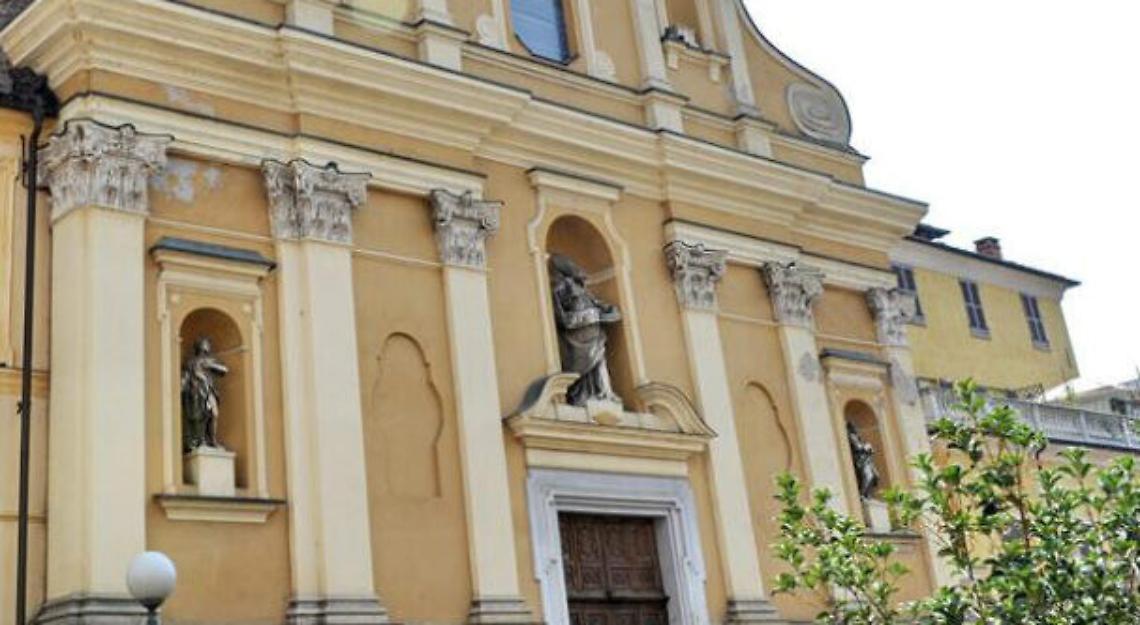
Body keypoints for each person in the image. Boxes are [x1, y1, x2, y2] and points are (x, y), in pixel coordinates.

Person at [550, 254, 622, 407]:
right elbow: (561, 316)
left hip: (594, 333)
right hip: (577, 337)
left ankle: (603, 393)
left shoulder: (584, 291)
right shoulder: (562, 288)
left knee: (599, 358)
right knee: (581, 366)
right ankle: (581, 394)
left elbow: (597, 304)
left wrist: (607, 311)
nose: (581, 271)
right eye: (575, 268)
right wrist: (589, 316)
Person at [181, 337, 229, 451]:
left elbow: (224, 370)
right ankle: (200, 440)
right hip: (196, 391)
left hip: (209, 390)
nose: (206, 347)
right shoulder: (191, 362)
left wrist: (210, 365)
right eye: (204, 344)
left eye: (207, 345)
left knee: (214, 414)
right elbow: (185, 377)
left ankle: (212, 440)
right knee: (199, 416)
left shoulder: (210, 361)